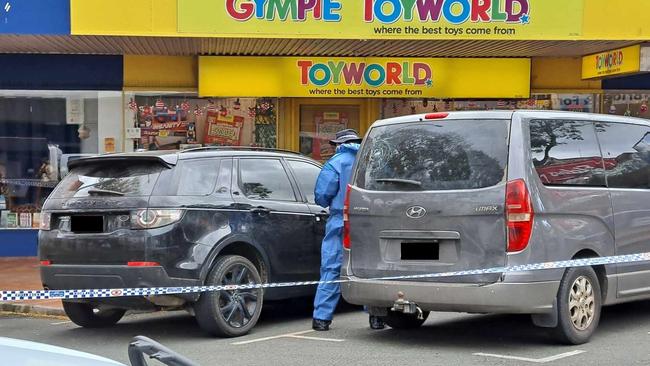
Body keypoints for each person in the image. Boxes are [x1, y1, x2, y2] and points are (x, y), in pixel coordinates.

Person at [312, 129, 385, 331]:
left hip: (340, 220)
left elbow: (321, 196)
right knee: (369, 267)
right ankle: (377, 317)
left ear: (339, 145)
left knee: (332, 268)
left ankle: (321, 319)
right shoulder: (371, 162)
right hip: (368, 219)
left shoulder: (335, 163)